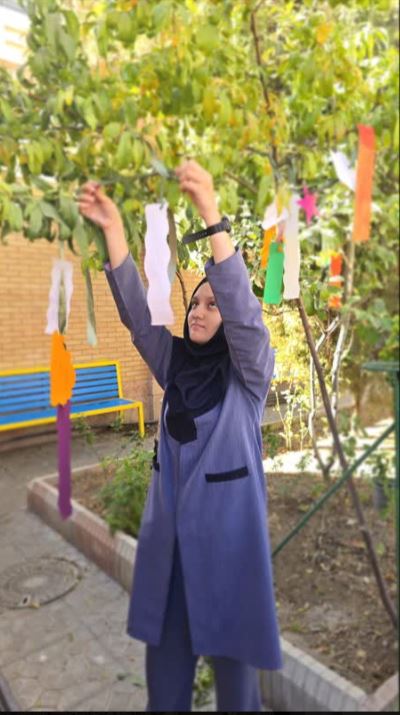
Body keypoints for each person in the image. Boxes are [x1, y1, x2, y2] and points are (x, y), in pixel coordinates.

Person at [77, 160, 283, 712]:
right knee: (165, 698)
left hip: (229, 558)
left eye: (213, 305)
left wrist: (211, 215)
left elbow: (247, 318)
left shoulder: (249, 378)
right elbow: (138, 318)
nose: (199, 311)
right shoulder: (174, 365)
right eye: (195, 303)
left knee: (238, 701)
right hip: (170, 561)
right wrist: (113, 230)